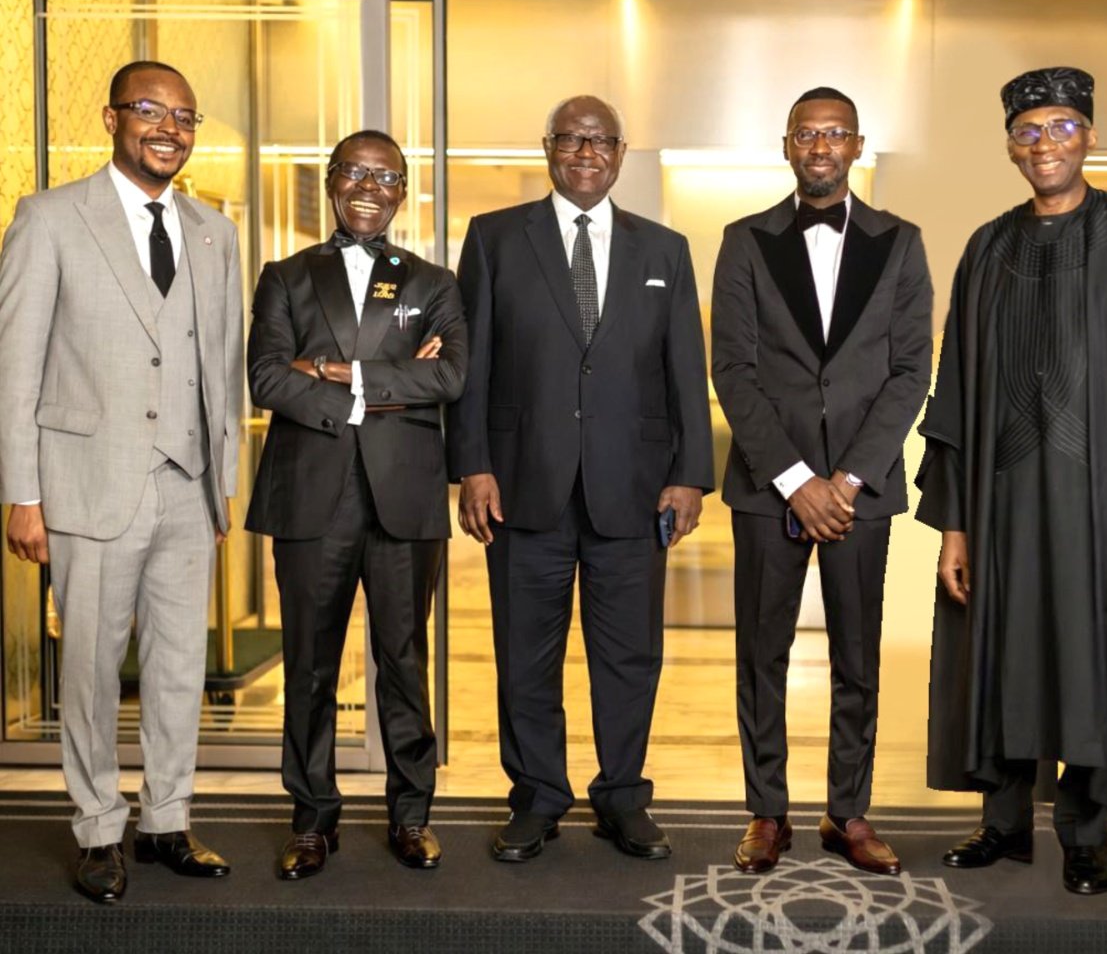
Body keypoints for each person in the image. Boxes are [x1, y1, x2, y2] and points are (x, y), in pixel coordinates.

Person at [917, 66, 1107, 896]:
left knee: (1094, 657)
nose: (1045, 144)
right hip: (1003, 504)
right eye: (1029, 131)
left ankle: (1086, 834)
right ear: (1011, 146)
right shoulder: (988, 248)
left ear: (1091, 137)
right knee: (1002, 653)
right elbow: (957, 393)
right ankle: (1003, 825)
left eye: (1062, 127)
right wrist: (957, 525)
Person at [446, 94, 713, 863]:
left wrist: (691, 475)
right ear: (548, 148)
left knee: (629, 656)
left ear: (620, 154)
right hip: (522, 486)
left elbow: (684, 372)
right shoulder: (495, 239)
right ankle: (537, 798)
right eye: (571, 139)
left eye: (600, 141)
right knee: (525, 654)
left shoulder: (664, 250)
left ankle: (622, 797)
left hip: (633, 489)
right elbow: (473, 365)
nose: (586, 153)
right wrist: (473, 465)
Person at [0, 61, 242, 902]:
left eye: (184, 116)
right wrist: (22, 494)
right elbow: (15, 367)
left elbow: (223, 365)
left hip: (187, 487)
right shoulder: (50, 218)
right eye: (150, 110)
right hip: (90, 482)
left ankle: (166, 820)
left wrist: (221, 483)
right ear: (112, 118)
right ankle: (99, 826)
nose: (169, 128)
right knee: (92, 669)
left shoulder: (214, 232)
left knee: (179, 667)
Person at [711, 87, 932, 876]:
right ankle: (767, 812)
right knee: (761, 652)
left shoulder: (900, 242)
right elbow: (732, 370)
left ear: (857, 146)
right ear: (786, 145)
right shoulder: (743, 241)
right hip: (768, 483)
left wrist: (848, 479)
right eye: (807, 133)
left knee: (857, 657)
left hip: (860, 489)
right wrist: (796, 479)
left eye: (836, 133)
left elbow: (910, 372)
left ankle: (848, 812)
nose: (821, 146)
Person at [245, 130, 467, 878]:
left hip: (404, 495)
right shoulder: (285, 276)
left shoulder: (434, 282)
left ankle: (411, 814)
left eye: (388, 177)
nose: (371, 188)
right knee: (310, 665)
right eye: (357, 173)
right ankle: (312, 820)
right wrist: (387, 384)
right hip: (312, 494)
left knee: (403, 660)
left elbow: (452, 378)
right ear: (331, 180)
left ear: (403, 192)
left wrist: (339, 372)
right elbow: (267, 379)